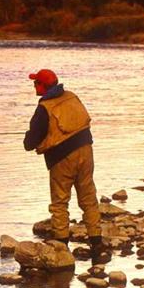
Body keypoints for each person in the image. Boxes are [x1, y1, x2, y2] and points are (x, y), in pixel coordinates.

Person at [23, 69, 109, 264]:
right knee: (88, 197)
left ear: (44, 86)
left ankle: (61, 247)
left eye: (36, 83)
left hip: (62, 158)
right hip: (86, 151)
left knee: (60, 201)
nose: (34, 86)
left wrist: (27, 139)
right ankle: (96, 243)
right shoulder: (71, 96)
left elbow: (30, 143)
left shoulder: (44, 108)